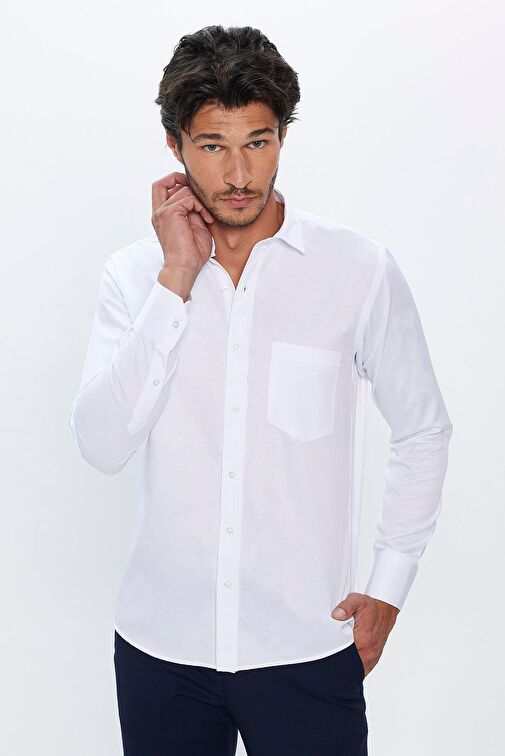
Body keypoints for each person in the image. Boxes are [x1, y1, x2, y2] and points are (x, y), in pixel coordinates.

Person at [68, 24, 453, 756]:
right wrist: (175, 278)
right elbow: (101, 445)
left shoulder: (357, 270)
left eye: (259, 142)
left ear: (282, 138)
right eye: (213, 146)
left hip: (305, 645)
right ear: (176, 147)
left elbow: (422, 427)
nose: (240, 173)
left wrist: (389, 584)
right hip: (161, 648)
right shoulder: (134, 276)